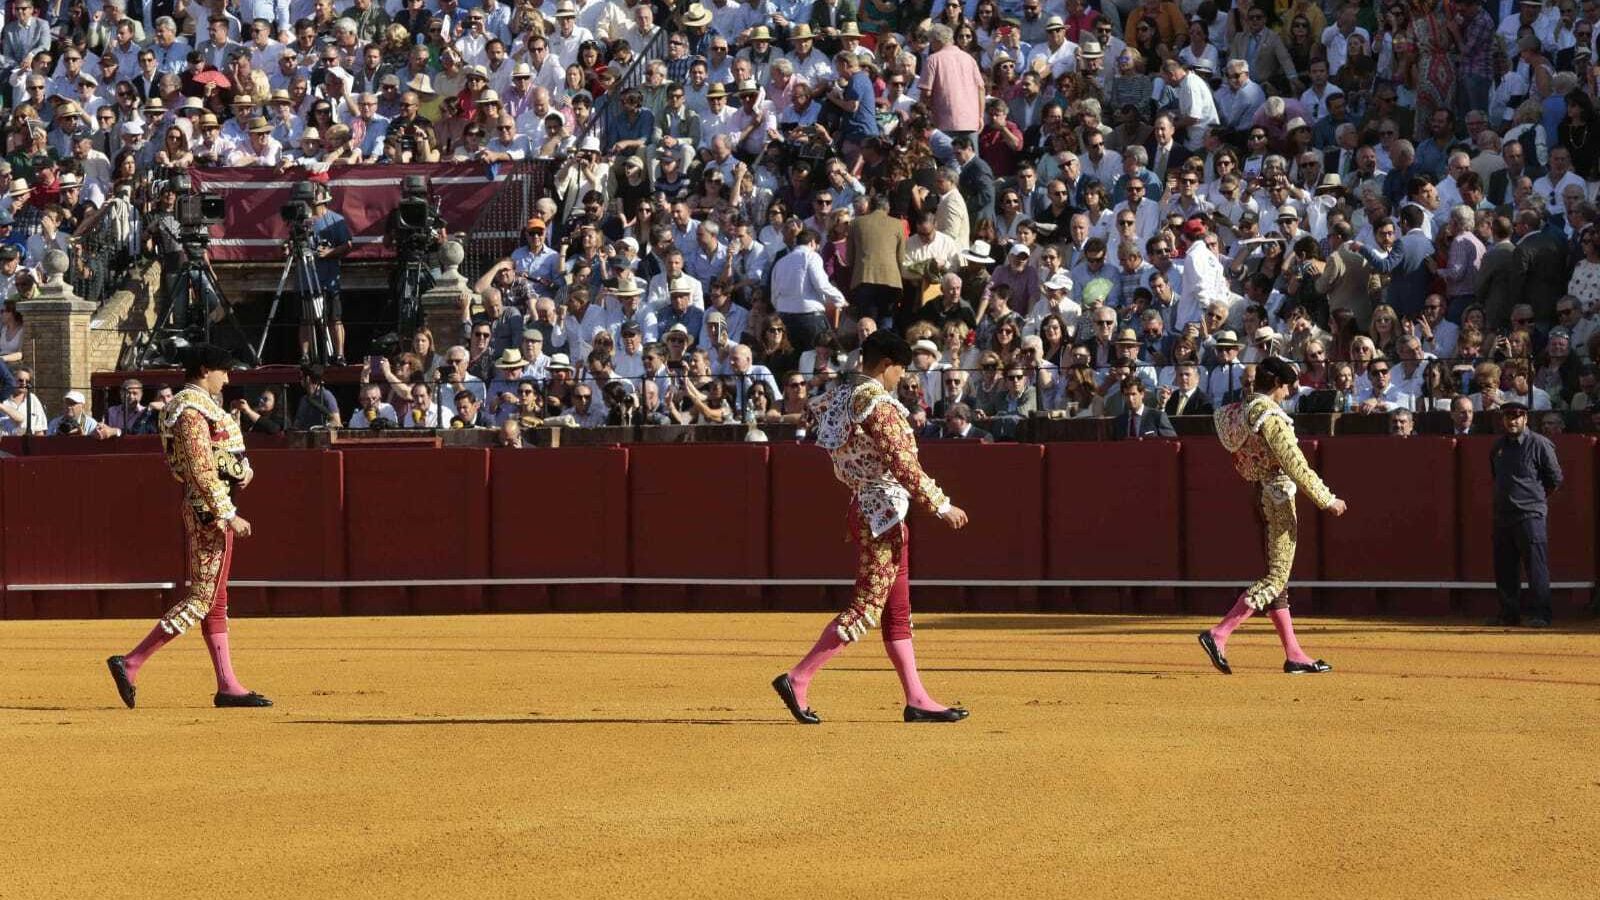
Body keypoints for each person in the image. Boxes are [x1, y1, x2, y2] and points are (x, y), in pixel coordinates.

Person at [772, 330, 971, 725]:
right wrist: (941, 505)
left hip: (868, 506)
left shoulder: (841, 397)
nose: (902, 377)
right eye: (900, 368)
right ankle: (799, 677)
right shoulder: (877, 404)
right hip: (883, 514)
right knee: (867, 606)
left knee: (897, 610)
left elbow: (838, 454)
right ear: (886, 365)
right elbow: (903, 463)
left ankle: (917, 698)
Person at [106, 344, 271, 709]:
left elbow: (217, 458)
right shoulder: (191, 410)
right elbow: (199, 468)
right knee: (202, 598)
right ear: (203, 370)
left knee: (215, 600)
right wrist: (226, 512)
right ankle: (130, 662)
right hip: (208, 512)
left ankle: (228, 684)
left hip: (208, 507)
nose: (227, 378)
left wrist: (239, 471)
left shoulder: (194, 408)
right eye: (222, 371)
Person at [1199, 357, 1349, 676]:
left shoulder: (1237, 411)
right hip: (1278, 496)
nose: (1287, 394)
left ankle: (1294, 654)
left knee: (1276, 578)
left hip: (1256, 491)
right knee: (1277, 575)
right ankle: (1220, 633)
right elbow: (1295, 463)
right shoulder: (1270, 417)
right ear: (1279, 386)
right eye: (1286, 388)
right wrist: (1327, 499)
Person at [1488, 400, 1563, 628]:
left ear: (1525, 418)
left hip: (1530, 514)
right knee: (1504, 567)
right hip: (1504, 514)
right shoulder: (1498, 447)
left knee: (1536, 567)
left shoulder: (1539, 444)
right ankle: (1509, 613)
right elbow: (1496, 476)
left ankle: (1541, 614)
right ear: (1503, 419)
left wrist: (1534, 500)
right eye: (1508, 416)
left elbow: (1555, 479)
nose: (1512, 420)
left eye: (1517, 416)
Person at [304, 184, 354, 364]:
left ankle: (339, 354)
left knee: (335, 318)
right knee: (307, 318)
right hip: (308, 278)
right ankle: (306, 356)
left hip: (329, 276)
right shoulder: (303, 220)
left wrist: (330, 253)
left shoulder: (335, 219)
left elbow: (347, 244)